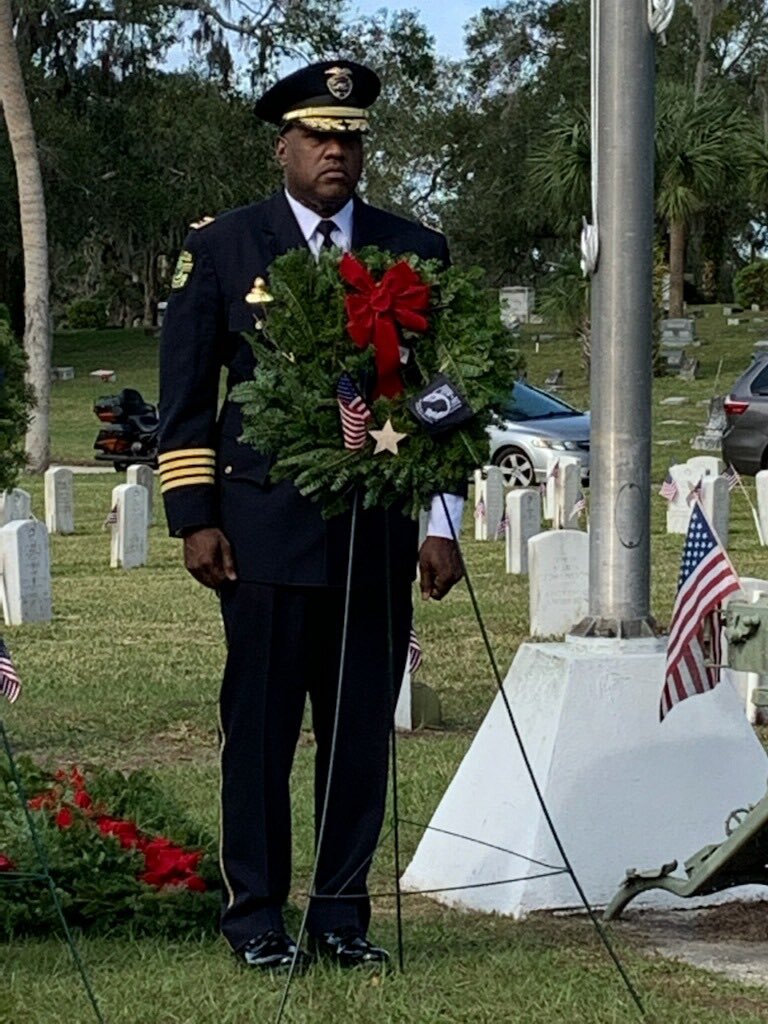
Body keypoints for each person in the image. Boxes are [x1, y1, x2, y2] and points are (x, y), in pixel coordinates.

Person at [158, 60, 464, 972]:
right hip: (260, 533)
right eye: (320, 136)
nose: (337, 152)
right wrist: (192, 517)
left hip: (374, 532)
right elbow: (186, 395)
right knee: (258, 733)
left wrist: (441, 519)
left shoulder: (415, 250)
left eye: (351, 137)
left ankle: (340, 917)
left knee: (359, 730)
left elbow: (444, 397)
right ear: (283, 145)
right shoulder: (224, 248)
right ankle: (255, 916)